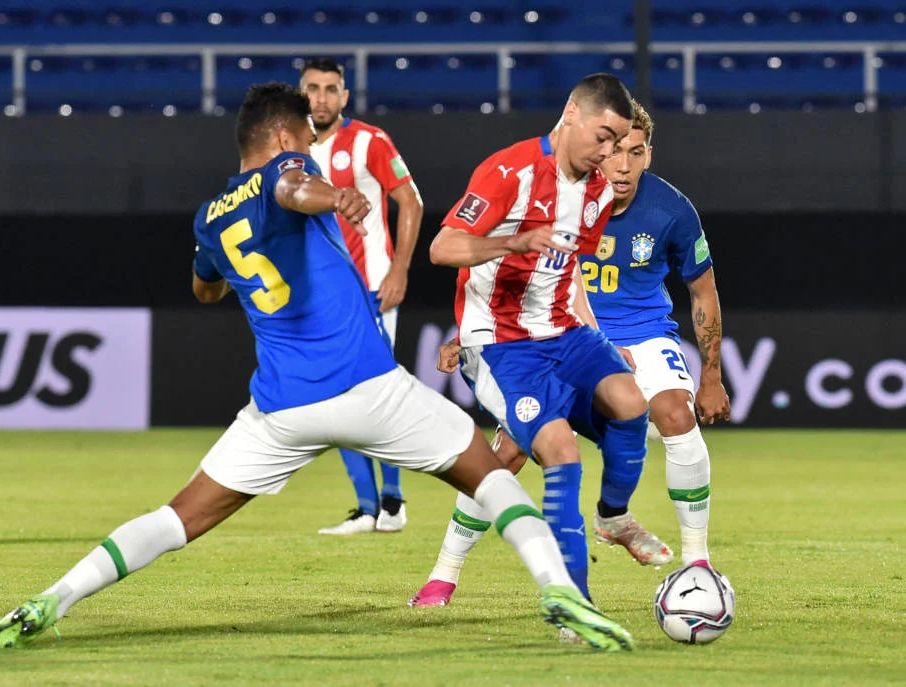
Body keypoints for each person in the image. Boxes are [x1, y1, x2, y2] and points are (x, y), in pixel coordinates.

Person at [0, 83, 634, 653]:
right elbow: (295, 186)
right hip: (369, 389)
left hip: (281, 410)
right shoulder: (289, 169)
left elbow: (204, 289)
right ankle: (559, 591)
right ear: (281, 136)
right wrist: (335, 198)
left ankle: (51, 599)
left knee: (176, 517)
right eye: (303, 138)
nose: (310, 149)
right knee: (491, 478)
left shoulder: (209, 218)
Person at [410, 101, 730, 608]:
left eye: (637, 152)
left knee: (674, 412)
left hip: (644, 336)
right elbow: (516, 281)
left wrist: (711, 375)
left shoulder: (671, 210)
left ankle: (697, 562)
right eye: (615, 151)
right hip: (557, 332)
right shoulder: (567, 196)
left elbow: (704, 290)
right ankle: (445, 573)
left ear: (650, 154)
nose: (623, 164)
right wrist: (470, 336)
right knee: (509, 452)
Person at [420, 73, 652, 609]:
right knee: (553, 451)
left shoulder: (595, 191)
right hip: (502, 344)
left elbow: (567, 274)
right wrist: (514, 240)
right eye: (602, 136)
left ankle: (613, 517)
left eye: (618, 144)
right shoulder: (508, 171)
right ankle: (569, 601)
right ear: (570, 113)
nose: (608, 154)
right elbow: (444, 247)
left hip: (563, 332)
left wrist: (598, 340)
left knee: (631, 403)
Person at [300, 57, 424, 535]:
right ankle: (368, 507)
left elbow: (409, 199)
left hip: (373, 288)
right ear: (301, 92)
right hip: (322, 295)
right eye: (313, 88)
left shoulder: (370, 141)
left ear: (345, 97)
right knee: (335, 395)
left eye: (331, 89)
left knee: (374, 393)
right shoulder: (293, 150)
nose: (321, 98)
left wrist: (399, 269)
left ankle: (391, 502)